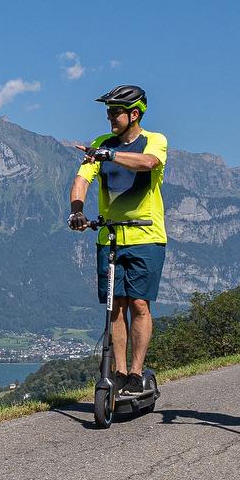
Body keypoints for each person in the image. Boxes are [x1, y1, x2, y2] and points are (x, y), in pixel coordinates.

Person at [68, 85, 167, 395]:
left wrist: (110, 154)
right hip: (109, 236)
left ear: (134, 114)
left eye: (114, 112)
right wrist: (77, 211)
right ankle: (120, 372)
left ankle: (137, 373)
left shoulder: (154, 141)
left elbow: (148, 163)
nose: (109, 117)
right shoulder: (100, 144)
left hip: (146, 235)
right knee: (114, 306)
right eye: (107, 112)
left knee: (139, 304)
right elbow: (82, 180)